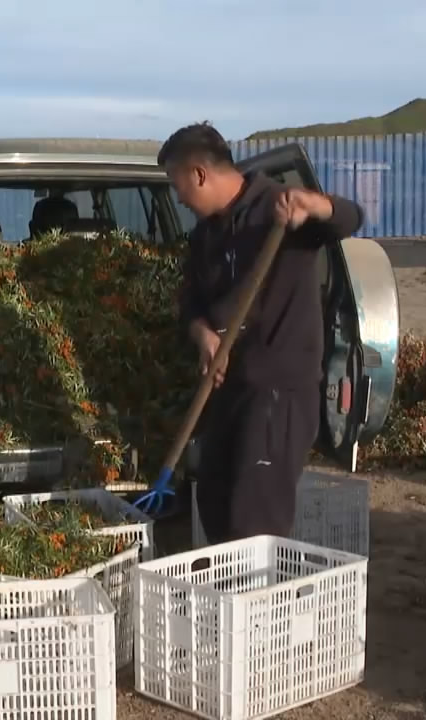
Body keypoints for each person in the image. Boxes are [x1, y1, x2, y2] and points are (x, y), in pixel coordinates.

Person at [158, 121, 364, 544]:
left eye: (177, 185)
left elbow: (350, 218)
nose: (178, 197)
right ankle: (226, 601)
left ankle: (255, 604)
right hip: (228, 390)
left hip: (278, 394)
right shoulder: (205, 235)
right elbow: (190, 301)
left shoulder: (279, 210)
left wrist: (314, 204)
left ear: (199, 174)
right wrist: (203, 334)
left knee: (254, 520)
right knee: (213, 499)